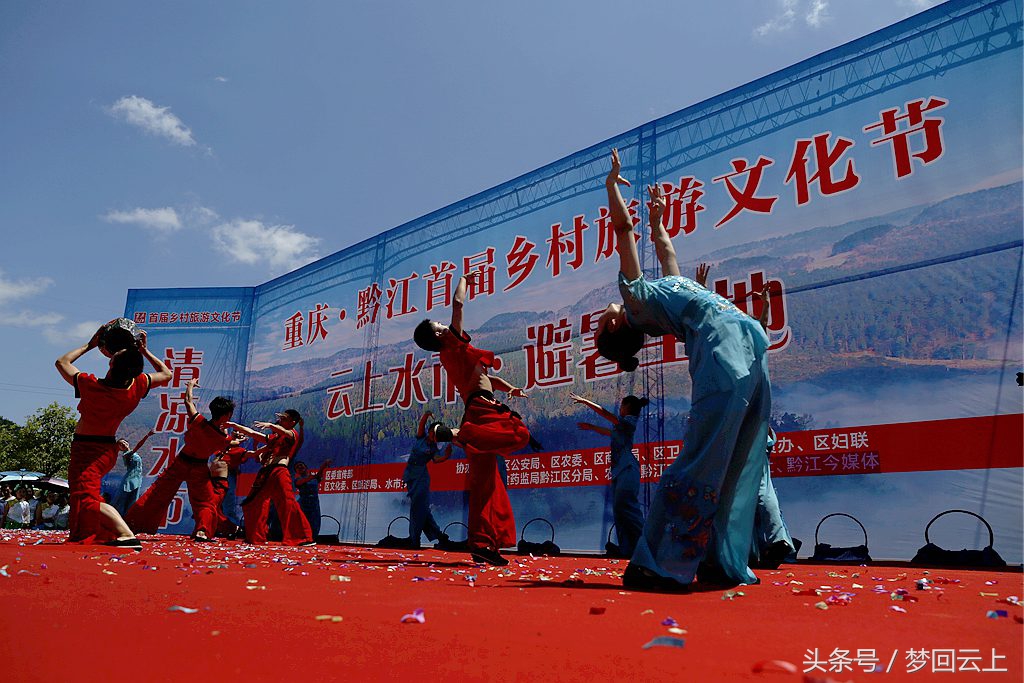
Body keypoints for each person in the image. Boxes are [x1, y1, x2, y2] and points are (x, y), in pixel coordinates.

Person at [594, 149, 771, 591]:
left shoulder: (661, 293)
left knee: (735, 464)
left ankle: (720, 560)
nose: (603, 310)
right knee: (700, 461)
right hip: (726, 354)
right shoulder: (636, 299)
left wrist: (657, 223)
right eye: (601, 319)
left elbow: (667, 254)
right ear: (617, 324)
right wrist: (612, 186)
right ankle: (659, 564)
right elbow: (621, 230)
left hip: (747, 344)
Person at [413, 272, 535, 566]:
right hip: (480, 413)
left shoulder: (456, 355)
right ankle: (459, 434)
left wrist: (511, 388)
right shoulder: (452, 345)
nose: (445, 324)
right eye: (440, 325)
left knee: (486, 484)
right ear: (439, 334)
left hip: (479, 406)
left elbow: (486, 378)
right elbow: (457, 303)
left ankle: (483, 544)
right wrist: (466, 279)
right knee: (521, 434)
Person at [693, 263, 798, 569]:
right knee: (747, 485)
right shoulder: (747, 349)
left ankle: (776, 541)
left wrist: (701, 288)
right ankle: (755, 547)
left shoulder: (735, 351)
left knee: (756, 483)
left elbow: (712, 320)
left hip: (742, 425)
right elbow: (756, 327)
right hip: (745, 425)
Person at [55, 326, 172, 548]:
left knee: (86, 497)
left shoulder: (92, 386)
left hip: (88, 451)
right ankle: (102, 532)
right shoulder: (137, 385)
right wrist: (145, 352)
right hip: (106, 449)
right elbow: (167, 374)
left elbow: (61, 362)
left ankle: (126, 533)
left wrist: (89, 345)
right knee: (83, 496)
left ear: (110, 365)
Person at [125, 380, 238, 542]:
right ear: (227, 415)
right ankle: (202, 531)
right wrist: (233, 431)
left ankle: (132, 525)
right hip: (199, 468)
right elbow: (230, 442)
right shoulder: (222, 437)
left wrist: (190, 385)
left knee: (157, 493)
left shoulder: (198, 421)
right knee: (204, 502)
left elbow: (188, 401)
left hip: (181, 462)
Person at [571, 392, 648, 558]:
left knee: (627, 509)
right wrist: (591, 427)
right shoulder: (622, 426)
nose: (620, 408)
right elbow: (609, 432)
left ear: (628, 407)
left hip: (627, 469)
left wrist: (585, 401)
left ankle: (648, 545)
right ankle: (628, 549)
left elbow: (605, 414)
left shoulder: (629, 422)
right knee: (620, 511)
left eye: (621, 405)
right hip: (619, 471)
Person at [228, 409, 314, 546]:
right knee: (252, 503)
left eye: (284, 418)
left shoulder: (292, 434)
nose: (280, 420)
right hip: (265, 473)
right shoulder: (274, 438)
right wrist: (234, 425)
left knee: (287, 502)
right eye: (280, 418)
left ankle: (302, 537)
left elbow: (285, 432)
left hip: (279, 471)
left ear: (292, 422)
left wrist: (271, 425)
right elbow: (253, 433)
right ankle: (256, 537)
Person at [113, 429, 155, 517]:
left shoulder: (134, 454)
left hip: (137, 479)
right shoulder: (126, 455)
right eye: (121, 444)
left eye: (124, 442)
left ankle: (128, 521)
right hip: (129, 480)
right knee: (122, 500)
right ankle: (117, 519)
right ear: (120, 449)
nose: (123, 444)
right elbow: (138, 446)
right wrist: (147, 436)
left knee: (132, 502)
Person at [293, 458, 331, 539]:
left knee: (315, 522)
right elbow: (301, 482)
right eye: (297, 467)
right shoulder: (298, 480)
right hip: (304, 503)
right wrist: (313, 476)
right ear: (296, 471)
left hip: (314, 503)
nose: (300, 467)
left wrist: (324, 466)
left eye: (301, 465)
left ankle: (313, 539)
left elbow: (319, 475)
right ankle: (303, 538)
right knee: (303, 521)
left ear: (306, 467)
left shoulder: (314, 478)